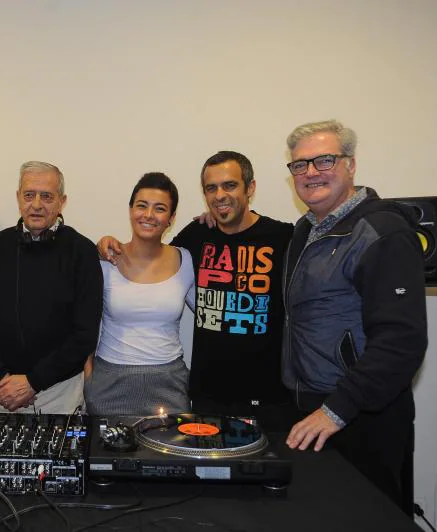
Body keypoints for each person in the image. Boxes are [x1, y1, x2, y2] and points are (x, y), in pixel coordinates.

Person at [281, 119, 427, 514]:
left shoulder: (382, 232)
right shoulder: (304, 232)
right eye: (299, 165)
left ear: (351, 164)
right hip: (315, 413)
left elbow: (401, 341)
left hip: (360, 418)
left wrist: (337, 410)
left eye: (324, 160)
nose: (310, 172)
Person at [98, 152, 294, 428]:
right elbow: (154, 251)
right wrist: (105, 243)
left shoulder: (283, 237)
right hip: (206, 394)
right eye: (211, 188)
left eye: (230, 185)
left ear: (250, 188)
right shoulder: (196, 237)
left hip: (266, 395)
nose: (220, 195)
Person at [0, 161, 102, 414]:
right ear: (18, 198)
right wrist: (1, 377)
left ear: (62, 201)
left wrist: (32, 382)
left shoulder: (82, 252)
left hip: (58, 394)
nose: (37, 204)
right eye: (29, 195)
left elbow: (85, 335)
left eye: (47, 196)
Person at [84, 172, 193, 416]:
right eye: (141, 206)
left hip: (169, 385)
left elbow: (209, 314)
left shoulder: (186, 260)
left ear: (171, 218)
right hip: (109, 385)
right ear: (131, 209)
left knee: (169, 452)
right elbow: (83, 321)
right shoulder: (105, 259)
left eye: (160, 208)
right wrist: (89, 378)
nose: (148, 215)